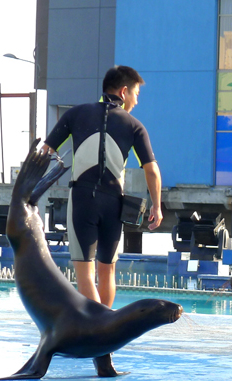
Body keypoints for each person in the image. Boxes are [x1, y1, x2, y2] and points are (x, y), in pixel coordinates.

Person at [42, 65, 163, 309]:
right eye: (136, 95)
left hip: (83, 199)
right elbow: (151, 169)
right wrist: (157, 207)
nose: (136, 101)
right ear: (124, 91)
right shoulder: (135, 126)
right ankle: (106, 326)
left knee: (85, 274)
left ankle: (97, 328)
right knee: (107, 270)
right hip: (114, 203)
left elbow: (46, 151)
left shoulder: (75, 114)